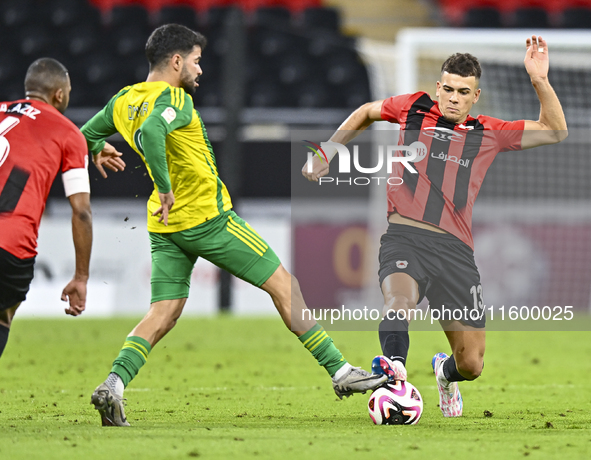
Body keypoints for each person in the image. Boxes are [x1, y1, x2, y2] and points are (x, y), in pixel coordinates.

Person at [81, 24, 386, 427]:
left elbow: (83, 133)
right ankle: (341, 372)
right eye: (195, 61)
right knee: (284, 285)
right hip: (208, 219)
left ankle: (114, 383)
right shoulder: (174, 98)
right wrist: (167, 186)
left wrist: (96, 146)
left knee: (163, 312)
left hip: (165, 225)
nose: (199, 70)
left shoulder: (123, 100)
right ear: (176, 61)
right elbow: (155, 129)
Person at [303, 36, 567, 417]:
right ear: (437, 88)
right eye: (448, 89)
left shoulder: (488, 131)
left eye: (463, 92)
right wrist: (327, 151)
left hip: (456, 252)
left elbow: (555, 130)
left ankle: (444, 374)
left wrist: (539, 80)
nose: (453, 98)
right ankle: (394, 373)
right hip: (404, 238)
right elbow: (365, 111)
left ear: (476, 96)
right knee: (398, 300)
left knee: (471, 364)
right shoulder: (412, 107)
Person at [0, 58, 96, 358]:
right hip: (10, 243)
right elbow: (81, 210)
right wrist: (81, 277)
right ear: (59, 95)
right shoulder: (69, 134)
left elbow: (27, 136)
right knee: (2, 317)